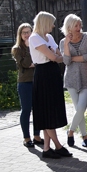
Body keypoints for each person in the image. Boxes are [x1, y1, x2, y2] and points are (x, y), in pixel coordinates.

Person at [29, 11, 70, 159]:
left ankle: (47, 148)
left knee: (50, 111)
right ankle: (58, 145)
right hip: (43, 74)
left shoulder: (50, 38)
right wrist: (55, 55)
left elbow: (60, 57)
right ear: (45, 22)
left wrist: (55, 55)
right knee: (45, 109)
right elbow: (54, 56)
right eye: (51, 23)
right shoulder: (34, 37)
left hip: (53, 74)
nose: (53, 26)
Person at [59, 14, 87, 148]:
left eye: (80, 25)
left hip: (86, 77)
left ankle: (71, 131)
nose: (79, 28)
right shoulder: (63, 42)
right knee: (78, 109)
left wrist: (72, 58)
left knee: (81, 108)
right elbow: (66, 62)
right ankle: (85, 137)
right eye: (76, 25)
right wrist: (67, 44)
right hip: (71, 79)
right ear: (69, 27)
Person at [11, 23, 42, 147]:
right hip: (24, 82)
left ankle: (37, 136)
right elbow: (26, 64)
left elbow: (39, 61)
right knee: (26, 110)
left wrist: (34, 63)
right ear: (20, 34)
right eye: (24, 32)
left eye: (28, 32)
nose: (27, 35)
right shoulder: (17, 49)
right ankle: (26, 138)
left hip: (37, 81)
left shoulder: (37, 45)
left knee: (38, 110)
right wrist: (29, 49)